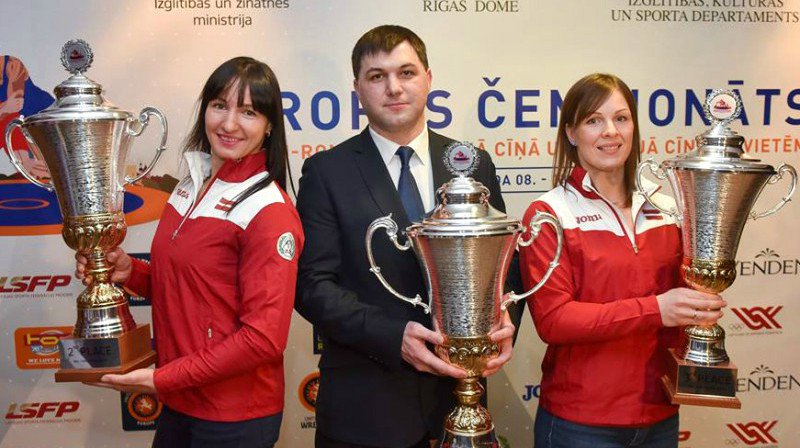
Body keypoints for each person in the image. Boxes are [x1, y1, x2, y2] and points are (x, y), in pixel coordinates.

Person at [294, 25, 515, 448]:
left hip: (461, 405)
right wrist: (393, 336)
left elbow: (507, 269)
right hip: (366, 413)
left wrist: (505, 320)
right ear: (357, 88)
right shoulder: (327, 173)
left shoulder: (472, 165)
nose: (394, 88)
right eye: (377, 76)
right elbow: (312, 287)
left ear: (429, 79)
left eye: (406, 73)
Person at [75, 56, 302, 448]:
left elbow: (263, 339)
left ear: (268, 127)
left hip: (234, 415)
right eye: (219, 105)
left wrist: (162, 378)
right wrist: (130, 272)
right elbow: (192, 290)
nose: (229, 124)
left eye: (248, 112)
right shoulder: (189, 184)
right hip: (182, 401)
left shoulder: (269, 211)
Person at [519, 73, 727, 448]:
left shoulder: (669, 204)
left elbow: (687, 294)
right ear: (571, 133)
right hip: (581, 423)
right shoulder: (549, 213)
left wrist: (700, 306)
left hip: (660, 414)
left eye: (621, 118)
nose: (610, 131)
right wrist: (656, 310)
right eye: (593, 120)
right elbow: (554, 321)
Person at [1, 54, 53, 178]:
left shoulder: (11, 64)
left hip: (42, 118)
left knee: (9, 121)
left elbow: (15, 105)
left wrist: (4, 108)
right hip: (23, 127)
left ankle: (29, 167)